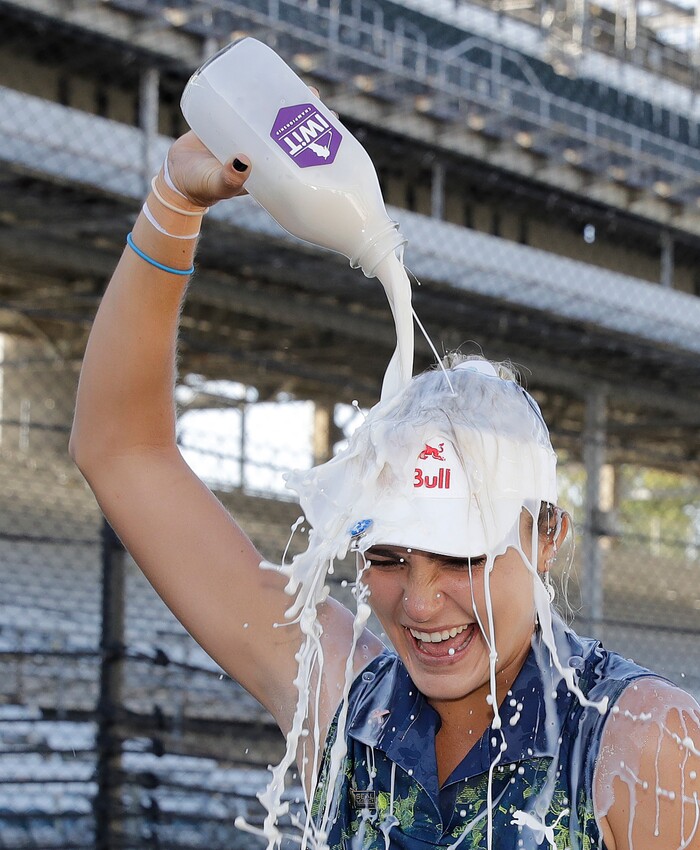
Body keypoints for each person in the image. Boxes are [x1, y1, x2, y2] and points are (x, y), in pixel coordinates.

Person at [70, 129, 700, 850]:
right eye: (389, 558)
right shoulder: (343, 698)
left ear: (546, 537)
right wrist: (174, 203)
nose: (421, 603)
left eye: (463, 556)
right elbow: (120, 451)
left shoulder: (641, 745)